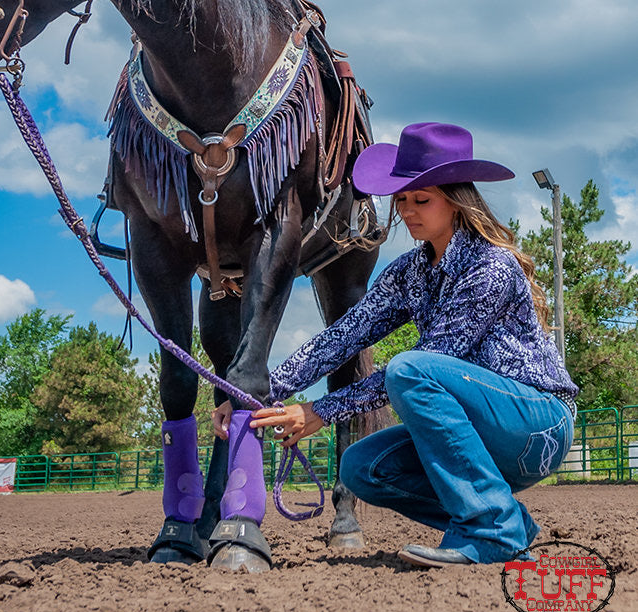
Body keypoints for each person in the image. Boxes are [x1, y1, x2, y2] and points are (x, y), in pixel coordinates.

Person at [212, 122, 578, 567]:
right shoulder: (409, 272)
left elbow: (433, 360)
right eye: (401, 200)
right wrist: (255, 394)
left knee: (410, 368)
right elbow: (344, 335)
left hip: (536, 425)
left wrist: (321, 411)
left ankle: (491, 530)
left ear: (456, 200)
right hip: (483, 427)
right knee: (362, 467)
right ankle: (506, 521)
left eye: (421, 200)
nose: (407, 211)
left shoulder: (491, 266)